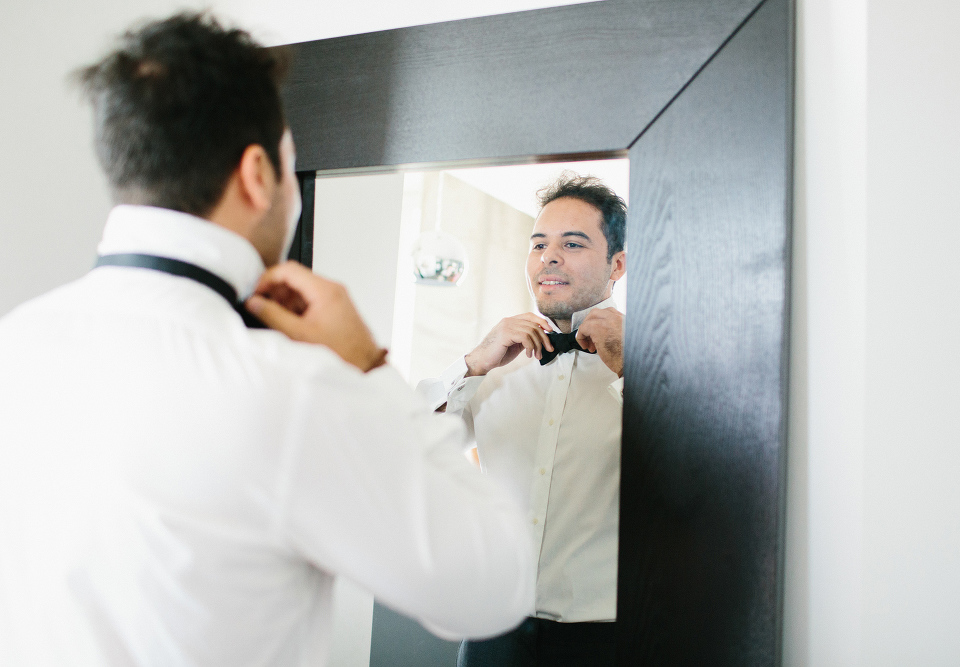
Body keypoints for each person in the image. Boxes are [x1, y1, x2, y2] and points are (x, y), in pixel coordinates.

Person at [0, 13, 533, 666]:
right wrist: (365, 365)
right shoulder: (290, 387)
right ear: (257, 174)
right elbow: (495, 582)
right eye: (290, 164)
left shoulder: (15, 342)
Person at [418, 174, 627, 666]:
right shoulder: (492, 370)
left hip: (607, 641)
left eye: (572, 244)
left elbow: (694, 474)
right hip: (493, 632)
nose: (549, 257)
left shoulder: (666, 371)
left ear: (617, 264)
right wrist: (470, 364)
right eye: (539, 245)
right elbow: (407, 449)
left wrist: (632, 366)